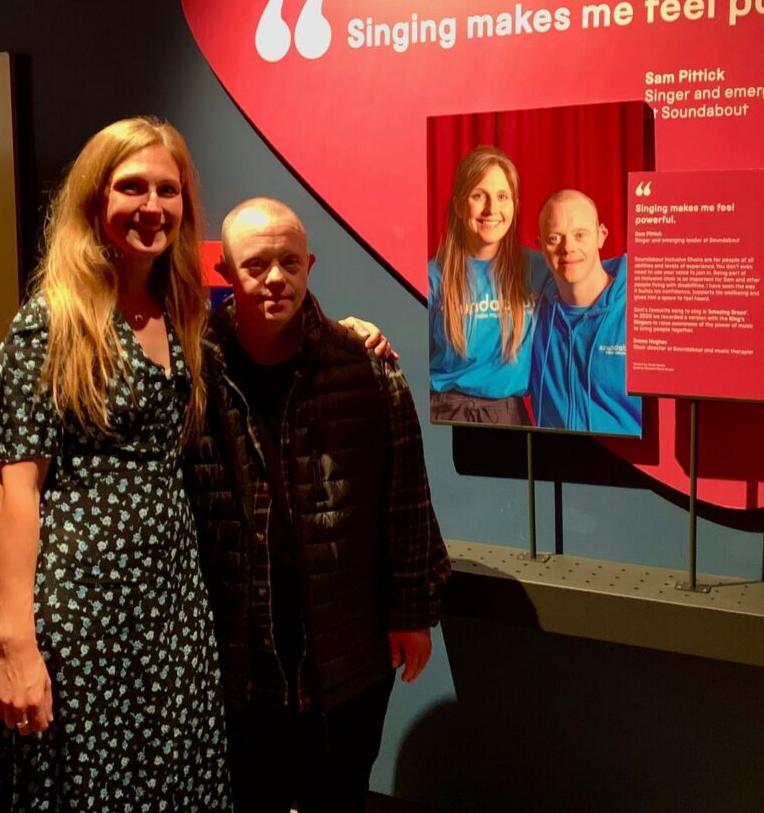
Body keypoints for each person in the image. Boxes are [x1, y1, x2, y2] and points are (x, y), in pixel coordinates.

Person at [0, 116, 232, 811]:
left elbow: (276, 314)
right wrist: (16, 644)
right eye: (131, 187)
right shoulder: (50, 324)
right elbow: (16, 492)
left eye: (167, 190)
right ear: (95, 199)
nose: (152, 206)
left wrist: (356, 333)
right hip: (81, 609)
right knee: (90, 788)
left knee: (170, 778)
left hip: (169, 603)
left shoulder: (180, 312)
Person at [185, 197, 451, 813]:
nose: (274, 278)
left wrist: (413, 612)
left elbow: (407, 499)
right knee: (250, 793)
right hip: (240, 652)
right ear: (226, 270)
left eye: (287, 262)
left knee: (339, 790)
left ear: (309, 264)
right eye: (255, 265)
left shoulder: (367, 368)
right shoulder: (191, 378)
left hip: (348, 648)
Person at [428, 145, 549, 426]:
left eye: (502, 196)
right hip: (444, 409)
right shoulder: (432, 276)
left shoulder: (540, 268)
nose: (491, 209)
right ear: (459, 205)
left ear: (515, 206)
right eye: (478, 195)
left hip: (507, 414)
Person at [530, 189, 642, 436]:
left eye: (580, 235)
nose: (568, 247)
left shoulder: (641, 310)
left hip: (629, 470)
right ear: (540, 247)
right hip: (555, 467)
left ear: (601, 236)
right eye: (554, 238)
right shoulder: (533, 315)